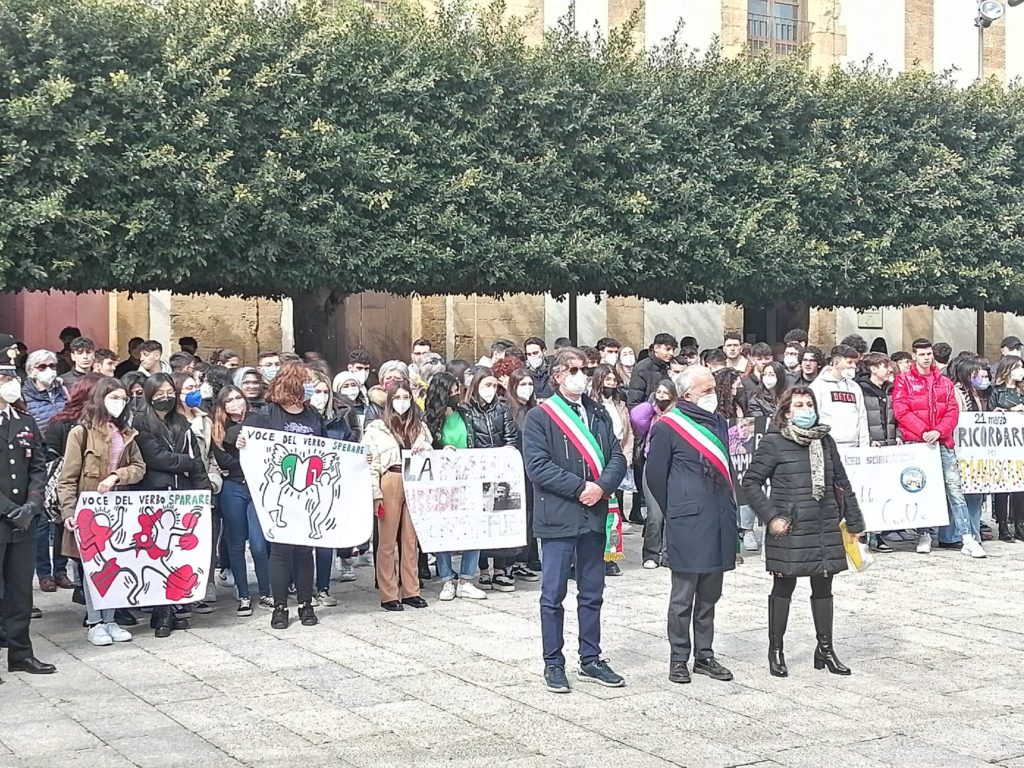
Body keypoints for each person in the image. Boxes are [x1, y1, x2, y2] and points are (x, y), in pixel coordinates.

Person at [741, 387, 866, 678]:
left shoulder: (824, 440)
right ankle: (776, 650)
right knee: (784, 586)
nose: (806, 409)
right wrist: (771, 517)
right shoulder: (774, 442)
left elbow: (841, 481)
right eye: (799, 404)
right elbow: (751, 483)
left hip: (823, 524)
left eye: (810, 403)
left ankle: (825, 649)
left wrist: (855, 521)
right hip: (791, 526)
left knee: (823, 587)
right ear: (786, 411)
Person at [523, 348, 627, 693]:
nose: (580, 375)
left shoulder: (596, 413)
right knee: (552, 595)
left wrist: (600, 488)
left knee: (592, 592)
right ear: (557, 376)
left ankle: (591, 657)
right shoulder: (541, 417)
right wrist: (581, 487)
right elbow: (537, 467)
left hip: (593, 515)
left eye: (584, 369)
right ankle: (553, 663)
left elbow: (616, 456)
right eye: (573, 369)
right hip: (558, 517)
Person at [645, 367, 737, 684]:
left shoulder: (719, 422)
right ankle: (678, 658)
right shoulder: (669, 426)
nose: (714, 394)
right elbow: (656, 476)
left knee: (710, 594)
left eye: (714, 388)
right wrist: (677, 509)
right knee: (683, 596)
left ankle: (705, 655)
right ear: (687, 396)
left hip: (719, 518)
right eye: (706, 390)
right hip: (687, 519)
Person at [57, 378, 145, 646]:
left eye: (123, 398)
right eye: (114, 397)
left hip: (119, 510)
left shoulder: (126, 432)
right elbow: (68, 477)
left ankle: (111, 619)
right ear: (101, 398)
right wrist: (68, 511)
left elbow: (138, 467)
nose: (120, 403)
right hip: (89, 511)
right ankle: (95, 621)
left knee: (115, 564)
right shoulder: (80, 433)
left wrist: (117, 476)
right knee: (92, 568)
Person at [236, 361, 325, 628]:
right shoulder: (268, 415)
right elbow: (238, 435)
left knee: (304, 550)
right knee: (281, 550)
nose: (310, 386)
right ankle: (280, 606)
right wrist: (239, 440)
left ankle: (306, 603)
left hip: (308, 492)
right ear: (293, 383)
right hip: (279, 495)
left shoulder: (312, 416)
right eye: (306, 381)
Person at [134, 373, 213, 636]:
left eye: (169, 392)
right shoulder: (141, 423)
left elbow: (197, 461)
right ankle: (162, 612)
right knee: (158, 556)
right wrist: (186, 462)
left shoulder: (181, 423)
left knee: (178, 556)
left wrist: (203, 493)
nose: (164, 397)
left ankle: (174, 606)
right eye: (159, 393)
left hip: (183, 495)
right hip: (154, 496)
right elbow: (156, 458)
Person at [892, 338, 984, 558]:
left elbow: (952, 411)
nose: (926, 358)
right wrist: (924, 430)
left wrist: (939, 431)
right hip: (917, 442)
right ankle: (924, 533)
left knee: (954, 489)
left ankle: (967, 537)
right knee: (920, 487)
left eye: (929, 354)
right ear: (914, 356)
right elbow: (901, 411)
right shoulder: (904, 381)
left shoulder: (944, 382)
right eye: (922, 354)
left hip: (942, 441)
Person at [0, 335, 56, 678]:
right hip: (5, 515)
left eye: (11, 379)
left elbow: (37, 464)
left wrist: (34, 503)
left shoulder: (23, 421)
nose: (10, 385)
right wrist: (9, 509)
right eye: (4, 379)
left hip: (23, 521)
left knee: (21, 592)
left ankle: (20, 652)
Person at [363, 381, 431, 611]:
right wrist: (375, 494)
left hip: (415, 478)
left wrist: (424, 448)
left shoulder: (419, 427)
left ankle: (411, 590)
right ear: (390, 401)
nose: (402, 402)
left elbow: (430, 450)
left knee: (411, 540)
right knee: (387, 540)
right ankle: (388, 593)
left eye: (406, 397)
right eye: (397, 397)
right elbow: (370, 463)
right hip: (390, 478)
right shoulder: (376, 428)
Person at [421, 373, 488, 601]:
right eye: (451, 391)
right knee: (443, 529)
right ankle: (447, 578)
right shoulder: (428, 420)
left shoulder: (467, 414)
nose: (456, 394)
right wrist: (439, 451)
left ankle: (467, 578)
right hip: (442, 482)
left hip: (468, 478)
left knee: (473, 527)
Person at [210, 385, 273, 616]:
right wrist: (242, 454)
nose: (236, 403)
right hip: (233, 487)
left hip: (256, 487)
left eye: (239, 398)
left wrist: (252, 452)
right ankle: (244, 595)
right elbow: (224, 461)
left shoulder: (259, 420)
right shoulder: (218, 430)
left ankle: (266, 591)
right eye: (230, 400)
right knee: (235, 543)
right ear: (223, 406)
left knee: (258, 544)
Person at [460, 367, 519, 591]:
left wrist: (504, 454)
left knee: (501, 518)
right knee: (480, 521)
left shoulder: (502, 408)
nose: (491, 390)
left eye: (494, 385)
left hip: (500, 471)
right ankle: (483, 568)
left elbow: (510, 436)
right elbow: (469, 439)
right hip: (477, 473)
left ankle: (501, 568)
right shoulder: (465, 410)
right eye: (487, 385)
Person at [22, 351, 71, 593]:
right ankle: (44, 573)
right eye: (42, 366)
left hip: (63, 455)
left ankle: (60, 570)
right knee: (41, 521)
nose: (49, 370)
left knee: (61, 516)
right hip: (39, 456)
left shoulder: (63, 391)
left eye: (52, 365)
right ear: (32, 370)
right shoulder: (24, 394)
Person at [631, 380, 678, 569]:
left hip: (674, 465)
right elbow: (635, 417)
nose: (661, 396)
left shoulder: (678, 415)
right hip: (652, 465)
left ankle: (668, 554)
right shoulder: (651, 414)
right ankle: (651, 553)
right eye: (658, 392)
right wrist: (651, 404)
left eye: (666, 393)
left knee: (671, 512)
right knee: (655, 514)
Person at [855, 352, 899, 553]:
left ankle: (879, 535)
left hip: (889, 444)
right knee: (866, 492)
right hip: (871, 445)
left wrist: (898, 435)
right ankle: (862, 534)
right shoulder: (861, 389)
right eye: (884, 366)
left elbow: (896, 416)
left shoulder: (891, 389)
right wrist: (868, 440)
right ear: (873, 368)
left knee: (884, 491)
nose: (889, 370)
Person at [592, 364, 634, 575]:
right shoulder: (591, 405)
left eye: (613, 379)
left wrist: (625, 459)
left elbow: (628, 433)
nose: (611, 383)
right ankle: (595, 554)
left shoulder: (620, 404)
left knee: (614, 514)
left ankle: (610, 554)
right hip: (598, 460)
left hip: (617, 459)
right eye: (606, 379)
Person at [506, 367, 542, 575]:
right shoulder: (509, 410)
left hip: (532, 471)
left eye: (530, 384)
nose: (527, 389)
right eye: (522, 385)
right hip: (514, 471)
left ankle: (527, 557)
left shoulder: (534, 410)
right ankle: (514, 560)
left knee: (530, 516)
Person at [989, 355, 1024, 542]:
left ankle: (1019, 524)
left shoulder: (1022, 390)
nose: (1020, 370)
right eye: (1017, 367)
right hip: (1002, 446)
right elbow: (989, 415)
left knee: (1020, 487)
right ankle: (1002, 525)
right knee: (1002, 487)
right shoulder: (996, 392)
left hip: (1020, 445)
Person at [808, 345, 870, 448]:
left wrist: (864, 446)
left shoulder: (855, 387)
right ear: (836, 363)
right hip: (828, 445)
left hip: (854, 446)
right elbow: (814, 418)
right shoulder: (817, 386)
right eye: (849, 362)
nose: (854, 366)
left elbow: (862, 418)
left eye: (855, 363)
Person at [627, 333, 676, 406]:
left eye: (673, 349)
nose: (671, 353)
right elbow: (634, 400)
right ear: (656, 348)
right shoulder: (642, 368)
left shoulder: (668, 365)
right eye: (667, 349)